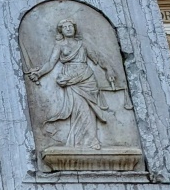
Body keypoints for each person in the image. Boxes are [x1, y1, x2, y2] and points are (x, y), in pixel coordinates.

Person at [26, 19, 115, 150]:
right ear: (61, 30)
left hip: (87, 78)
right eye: (65, 27)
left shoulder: (82, 44)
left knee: (90, 110)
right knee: (79, 109)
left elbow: (98, 58)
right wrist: (39, 74)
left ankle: (91, 140)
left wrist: (109, 69)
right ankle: (83, 141)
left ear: (74, 28)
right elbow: (51, 63)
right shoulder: (60, 45)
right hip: (70, 79)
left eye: (70, 26)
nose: (68, 28)